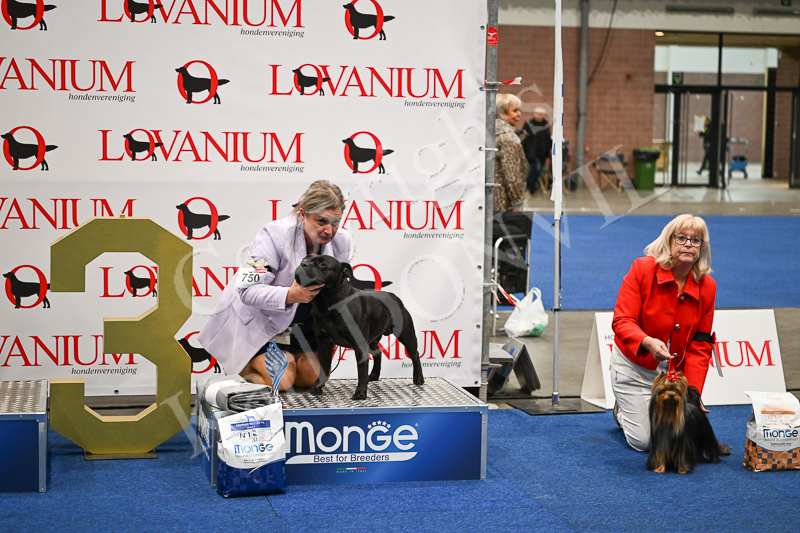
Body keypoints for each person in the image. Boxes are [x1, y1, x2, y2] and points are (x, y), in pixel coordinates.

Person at [198, 180, 351, 391]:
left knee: (314, 379)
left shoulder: (342, 240)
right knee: (282, 380)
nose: (329, 230)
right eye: (321, 221)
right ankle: (240, 372)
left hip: (305, 326)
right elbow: (247, 290)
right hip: (262, 323)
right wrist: (290, 295)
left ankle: (289, 359)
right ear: (303, 214)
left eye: (335, 222)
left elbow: (337, 289)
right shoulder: (273, 234)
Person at [610, 214, 730, 455]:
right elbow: (622, 321)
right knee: (646, 443)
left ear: (702, 247)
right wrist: (646, 341)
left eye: (695, 240)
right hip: (634, 369)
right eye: (681, 238)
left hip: (673, 378)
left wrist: (693, 392)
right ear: (668, 241)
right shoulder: (642, 269)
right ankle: (621, 412)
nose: (688, 244)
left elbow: (700, 343)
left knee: (681, 434)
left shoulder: (708, 286)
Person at [494, 93, 526, 212]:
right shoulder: (508, 137)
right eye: (515, 110)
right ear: (502, 113)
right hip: (502, 204)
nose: (519, 114)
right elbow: (512, 175)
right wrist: (517, 203)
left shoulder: (486, 133)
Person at [521, 105, 553, 194]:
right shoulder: (528, 124)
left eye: (540, 114)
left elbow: (548, 137)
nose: (538, 116)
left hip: (543, 153)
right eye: (537, 114)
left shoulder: (546, 124)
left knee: (539, 171)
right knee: (536, 168)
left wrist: (550, 148)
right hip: (531, 152)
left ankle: (532, 189)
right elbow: (523, 137)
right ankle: (527, 187)